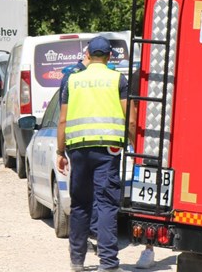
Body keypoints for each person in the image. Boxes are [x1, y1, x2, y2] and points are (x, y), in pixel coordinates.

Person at [57, 35, 139, 272]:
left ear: (88, 55)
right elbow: (130, 120)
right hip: (107, 151)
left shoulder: (73, 80)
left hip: (78, 150)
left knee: (80, 204)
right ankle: (108, 263)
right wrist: (135, 144)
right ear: (109, 56)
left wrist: (60, 151)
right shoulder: (117, 79)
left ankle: (77, 261)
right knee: (106, 205)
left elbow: (62, 120)